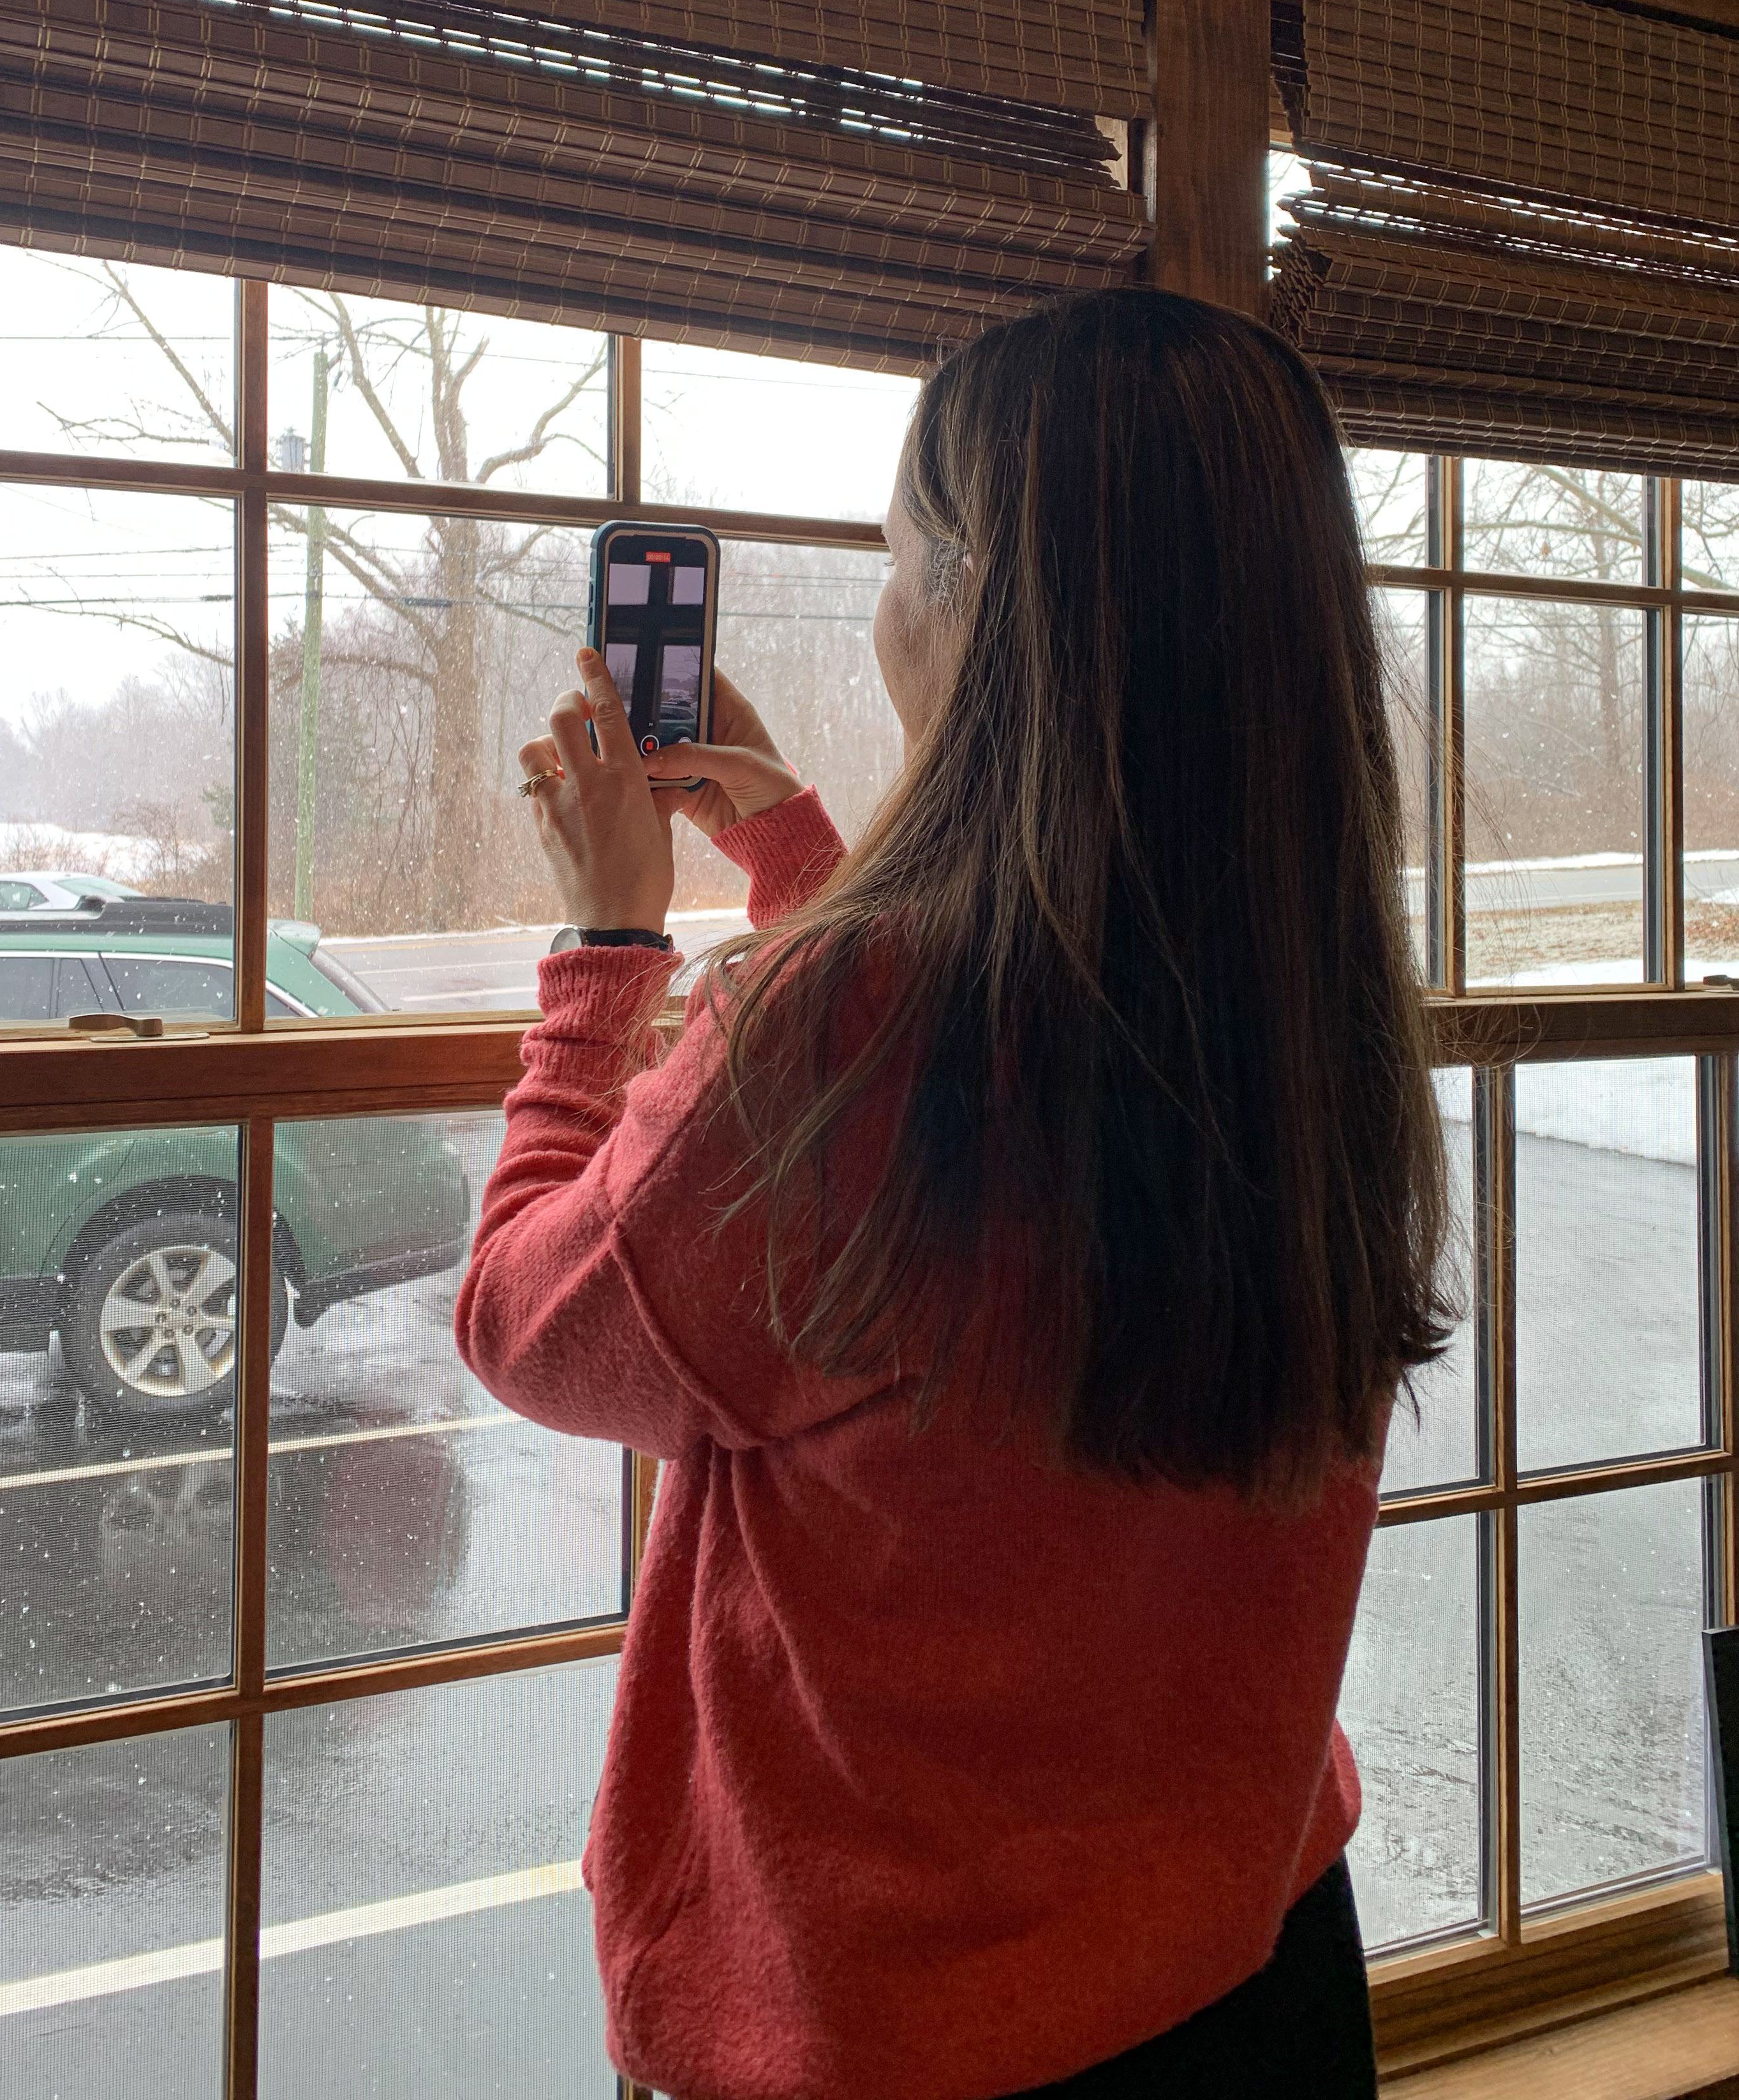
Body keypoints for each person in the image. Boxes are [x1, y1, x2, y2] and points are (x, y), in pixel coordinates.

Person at [455, 288, 1451, 2100]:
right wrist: (793, 860)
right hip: (1257, 1963)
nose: (886, 597)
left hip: (899, 2027)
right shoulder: (1310, 997)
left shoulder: (850, 1030)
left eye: (904, 549)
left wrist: (606, 948)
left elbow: (531, 1319)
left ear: (990, 606)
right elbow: (998, 1104)